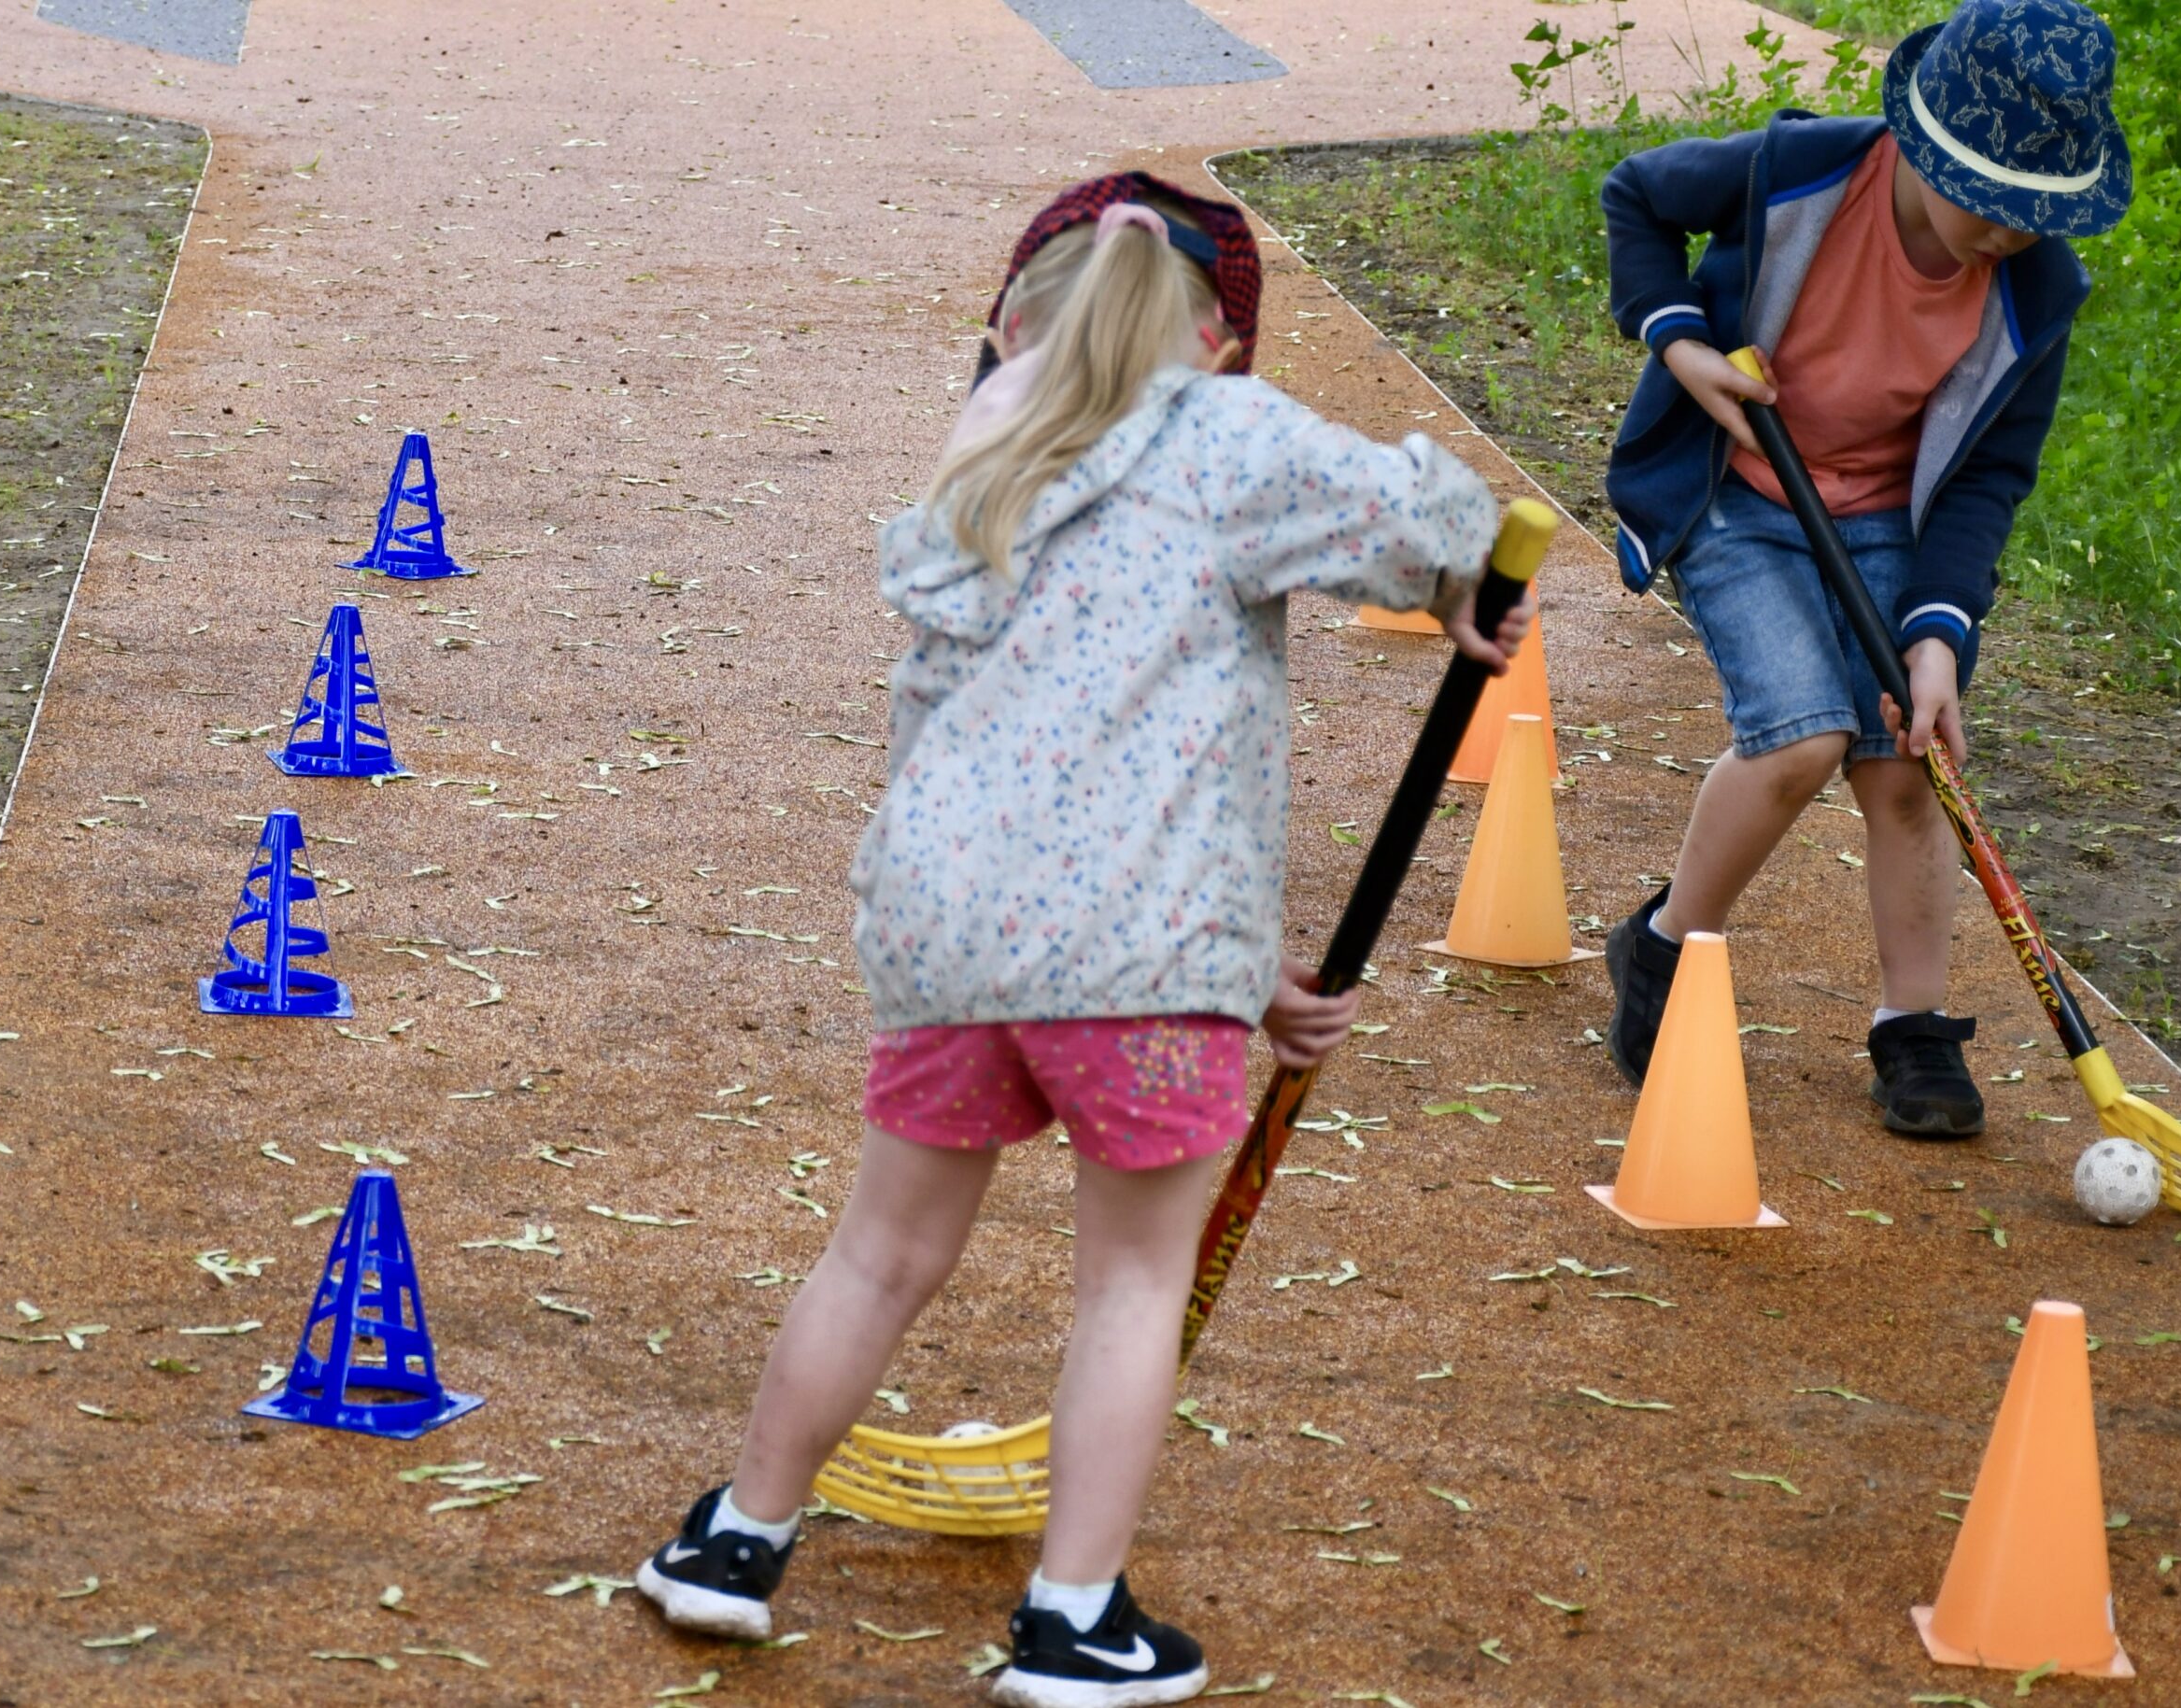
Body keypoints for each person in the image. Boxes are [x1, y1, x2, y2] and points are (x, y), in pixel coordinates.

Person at [634, 172, 1528, 1708]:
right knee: (1130, 1283)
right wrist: (1461, 587)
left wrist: (1243, 977)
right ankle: (1071, 1615)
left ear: (1008, 327)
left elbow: (990, 759)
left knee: (881, 1250)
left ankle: (736, 1537)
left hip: (949, 938)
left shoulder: (981, 457)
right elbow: (1440, 512)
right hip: (1147, 955)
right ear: (1219, 342)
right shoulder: (1225, 433)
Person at [1596, 0, 2128, 1136]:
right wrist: (1680, 342)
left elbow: (1986, 480)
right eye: (1990, 199)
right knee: (1800, 737)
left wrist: (1936, 631)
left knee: (1906, 761)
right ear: (1923, 146)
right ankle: (1664, 947)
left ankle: (1912, 1022)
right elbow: (1635, 194)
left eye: (2037, 212)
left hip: (1888, 515)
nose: (2010, 232)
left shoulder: (2038, 289)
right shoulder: (1800, 171)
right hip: (1738, 491)